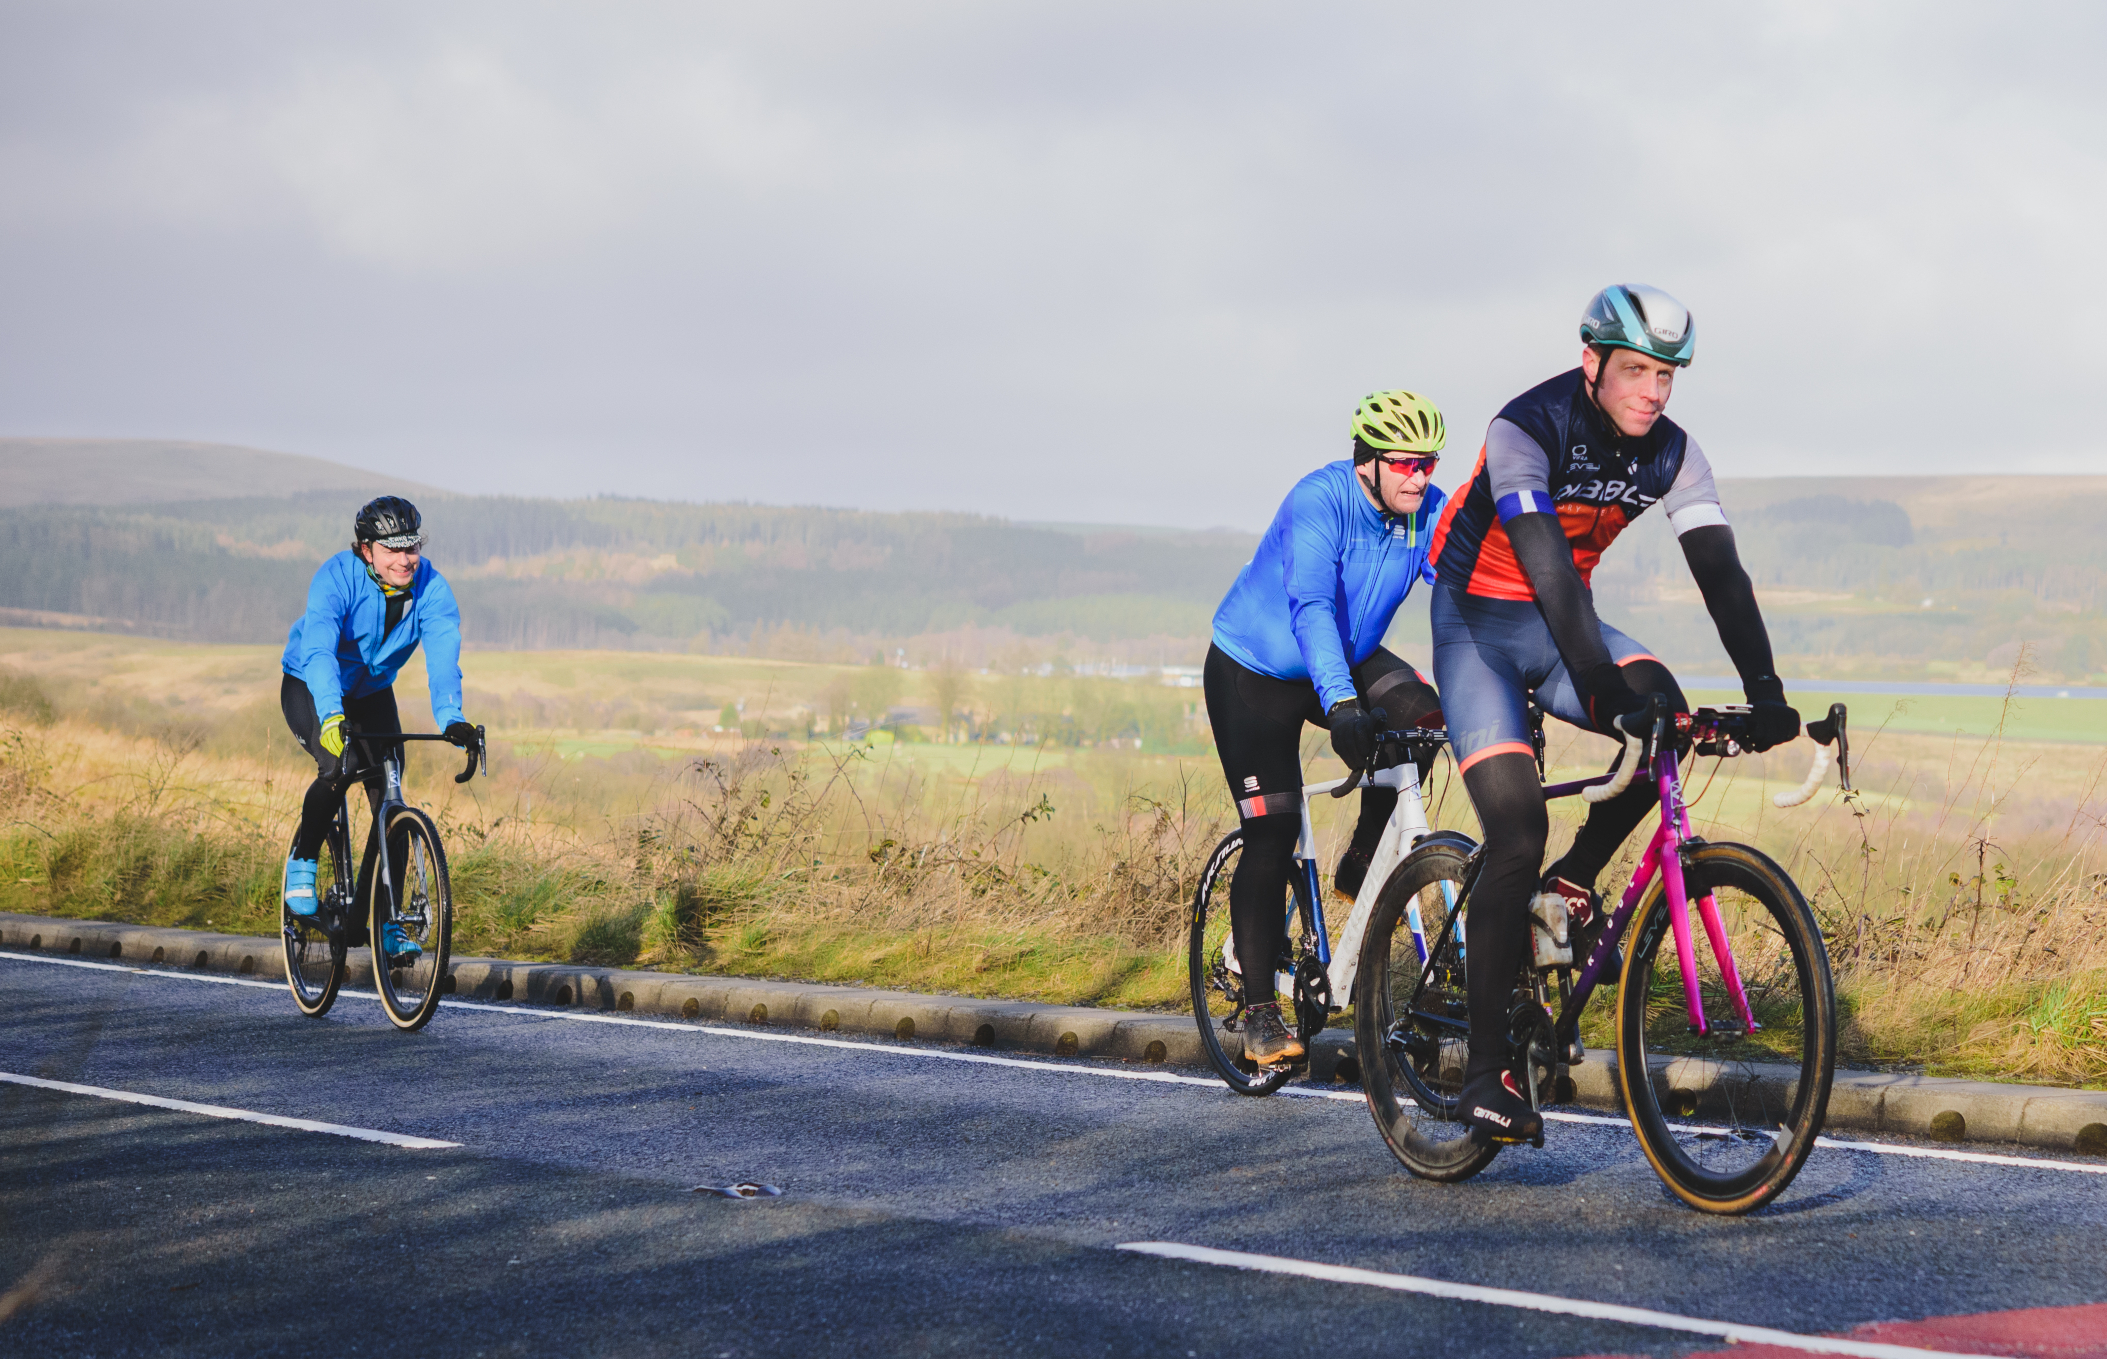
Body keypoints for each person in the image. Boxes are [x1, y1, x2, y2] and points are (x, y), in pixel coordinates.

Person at [1428, 285, 1799, 1144]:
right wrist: (1596, 682)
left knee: (1666, 715)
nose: (1653, 391)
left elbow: (1719, 571)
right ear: (1590, 361)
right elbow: (1546, 567)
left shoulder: (1673, 453)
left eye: (1666, 375)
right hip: (1480, 629)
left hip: (1566, 625)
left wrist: (1765, 688)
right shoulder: (1525, 427)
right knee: (1515, 830)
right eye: (1635, 370)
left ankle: (1572, 880)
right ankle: (1482, 1073)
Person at [1206, 390, 1450, 1067]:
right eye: (1406, 463)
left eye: (1429, 463)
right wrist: (1341, 705)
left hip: (1345, 654)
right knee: (1273, 829)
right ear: (1366, 460)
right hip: (1256, 670)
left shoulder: (1425, 511)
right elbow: (1311, 605)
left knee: (1423, 719)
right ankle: (1259, 1010)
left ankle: (1361, 859)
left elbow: (1466, 586)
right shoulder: (1319, 500)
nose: (1420, 477)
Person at [280, 496, 478, 962]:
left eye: (412, 547)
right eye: (393, 549)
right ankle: (303, 862)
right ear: (367, 550)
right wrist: (331, 714)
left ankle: (387, 921)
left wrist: (451, 717)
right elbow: (320, 650)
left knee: (392, 799)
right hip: (311, 682)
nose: (405, 559)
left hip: (371, 693)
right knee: (340, 764)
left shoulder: (431, 588)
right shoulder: (336, 577)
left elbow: (443, 654)